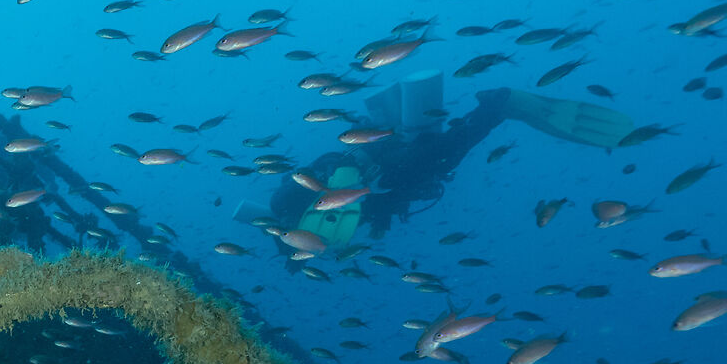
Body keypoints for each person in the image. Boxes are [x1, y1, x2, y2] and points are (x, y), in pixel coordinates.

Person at [247, 75, 637, 253]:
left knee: (444, 152)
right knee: (441, 155)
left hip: (377, 168)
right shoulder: (313, 234)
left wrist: (362, 179)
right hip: (387, 182)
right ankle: (492, 108)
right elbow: (360, 210)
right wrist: (382, 217)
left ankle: (500, 103)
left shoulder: (286, 205)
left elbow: (326, 171)